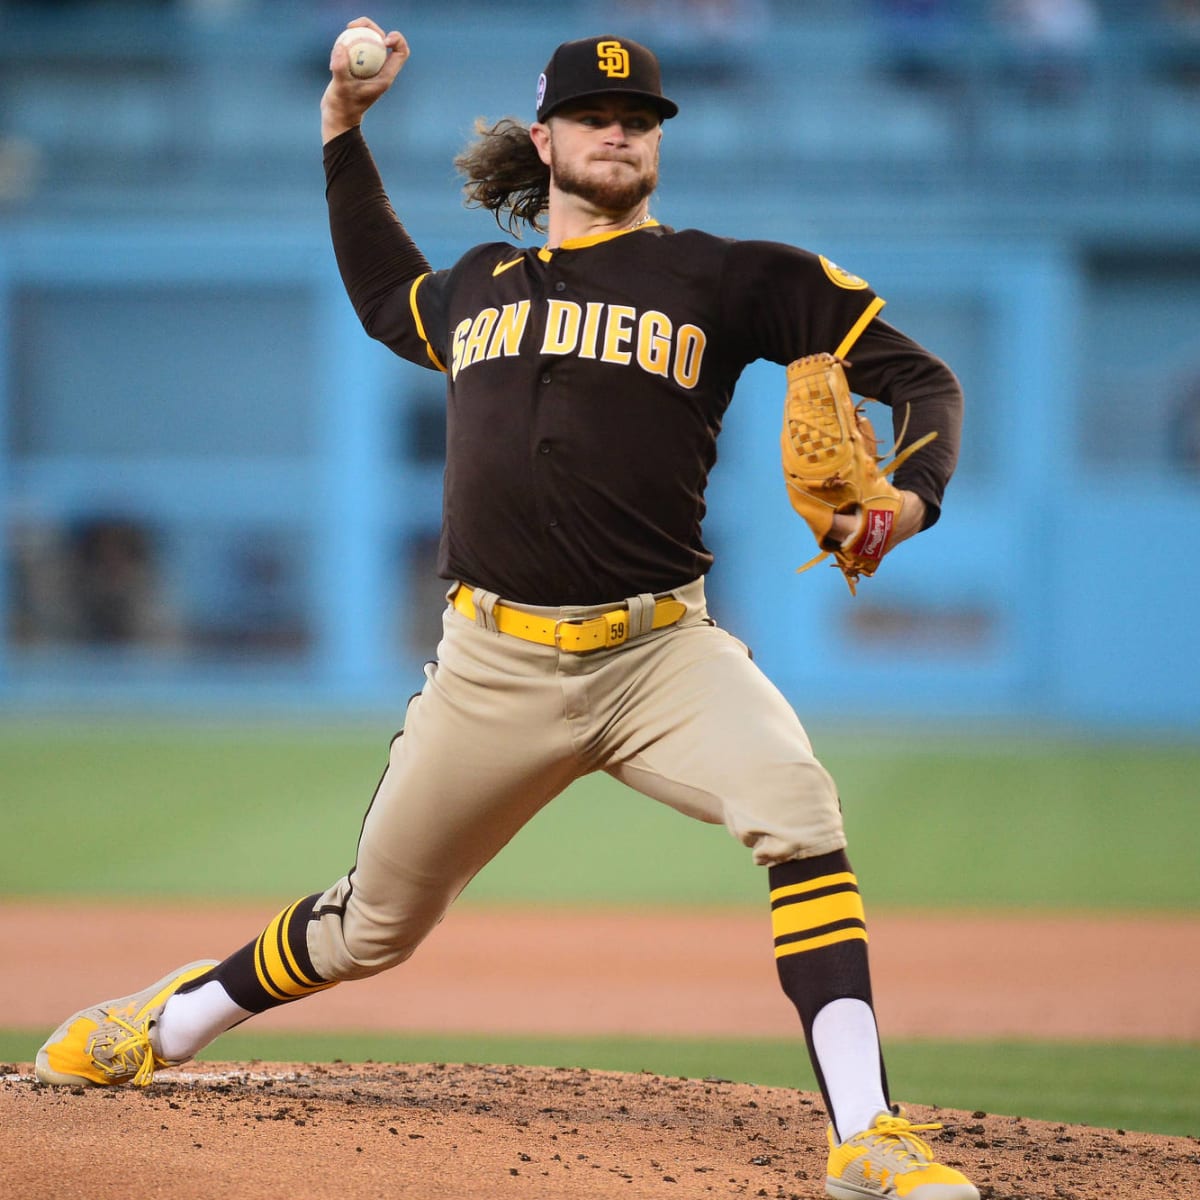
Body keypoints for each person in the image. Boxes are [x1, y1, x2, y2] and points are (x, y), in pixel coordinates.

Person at [35, 22, 976, 1200]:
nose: (621, 130)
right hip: (491, 667)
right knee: (371, 928)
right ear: (548, 141)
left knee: (799, 807)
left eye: (641, 119)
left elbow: (922, 380)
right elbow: (384, 291)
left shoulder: (731, 278)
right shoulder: (479, 289)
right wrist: (340, 128)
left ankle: (868, 1133)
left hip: (661, 655)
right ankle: (166, 1023)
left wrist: (909, 502)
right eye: (595, 116)